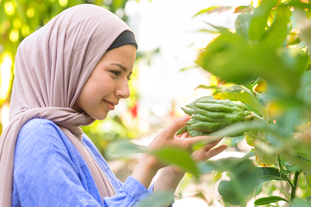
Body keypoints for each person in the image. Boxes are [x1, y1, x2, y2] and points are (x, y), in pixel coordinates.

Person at [0, 4, 227, 207]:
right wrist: (148, 163)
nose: (125, 91)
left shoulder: (74, 137)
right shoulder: (37, 136)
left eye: (127, 77)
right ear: (74, 64)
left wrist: (171, 171)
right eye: (115, 72)